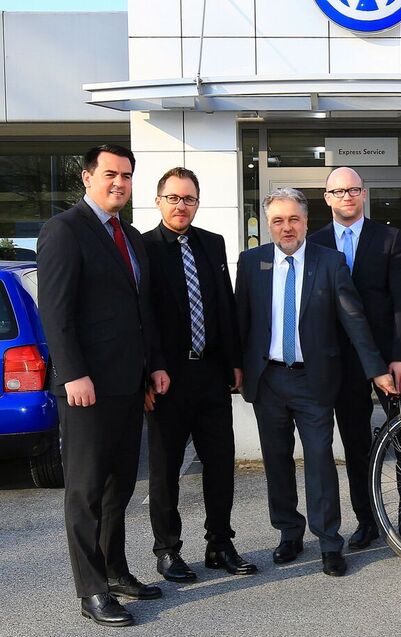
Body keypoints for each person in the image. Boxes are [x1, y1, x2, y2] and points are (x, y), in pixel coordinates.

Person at [36, 144, 170, 628]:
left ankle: (115, 570)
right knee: (86, 492)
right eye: (111, 173)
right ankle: (91, 589)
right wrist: (73, 373)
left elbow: (142, 311)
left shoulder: (130, 237)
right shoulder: (64, 230)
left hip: (128, 386)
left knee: (120, 488)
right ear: (88, 177)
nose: (120, 182)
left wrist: (153, 365)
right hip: (86, 388)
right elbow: (55, 310)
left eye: (127, 175)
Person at [235, 188, 396, 577]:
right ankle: (289, 534)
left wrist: (376, 368)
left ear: (307, 222)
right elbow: (240, 321)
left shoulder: (330, 261)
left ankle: (329, 543)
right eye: (278, 220)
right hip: (269, 378)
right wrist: (236, 369)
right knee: (276, 460)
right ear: (268, 225)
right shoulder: (251, 262)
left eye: (294, 219)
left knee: (320, 460)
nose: (286, 227)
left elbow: (354, 320)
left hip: (314, 381)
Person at [142, 167, 257, 583]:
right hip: (166, 378)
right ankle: (167, 549)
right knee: (166, 469)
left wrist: (235, 362)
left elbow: (224, 307)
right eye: (173, 198)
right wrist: (147, 372)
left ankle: (219, 543)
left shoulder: (212, 243)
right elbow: (143, 318)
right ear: (158, 201)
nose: (181, 205)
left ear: (197, 202)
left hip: (211, 373)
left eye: (188, 198)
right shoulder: (143, 247)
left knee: (221, 464)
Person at [308, 167, 401, 550]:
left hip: (392, 359)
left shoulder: (389, 238)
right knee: (355, 445)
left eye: (353, 190)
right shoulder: (315, 242)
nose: (346, 197)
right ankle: (368, 521)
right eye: (338, 192)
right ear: (327, 198)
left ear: (364, 193)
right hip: (342, 362)